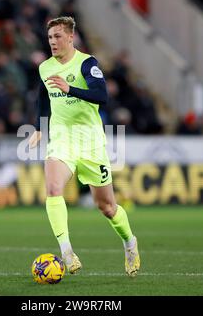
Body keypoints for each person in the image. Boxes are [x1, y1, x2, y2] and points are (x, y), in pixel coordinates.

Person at [28, 16, 140, 276]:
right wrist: (37, 127)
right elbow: (43, 97)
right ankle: (66, 251)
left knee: (107, 207)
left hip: (90, 142)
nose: (52, 42)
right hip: (61, 140)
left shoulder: (87, 63)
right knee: (53, 189)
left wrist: (71, 89)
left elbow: (102, 96)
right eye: (49, 37)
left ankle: (130, 242)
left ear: (70, 37)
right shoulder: (45, 67)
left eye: (57, 36)